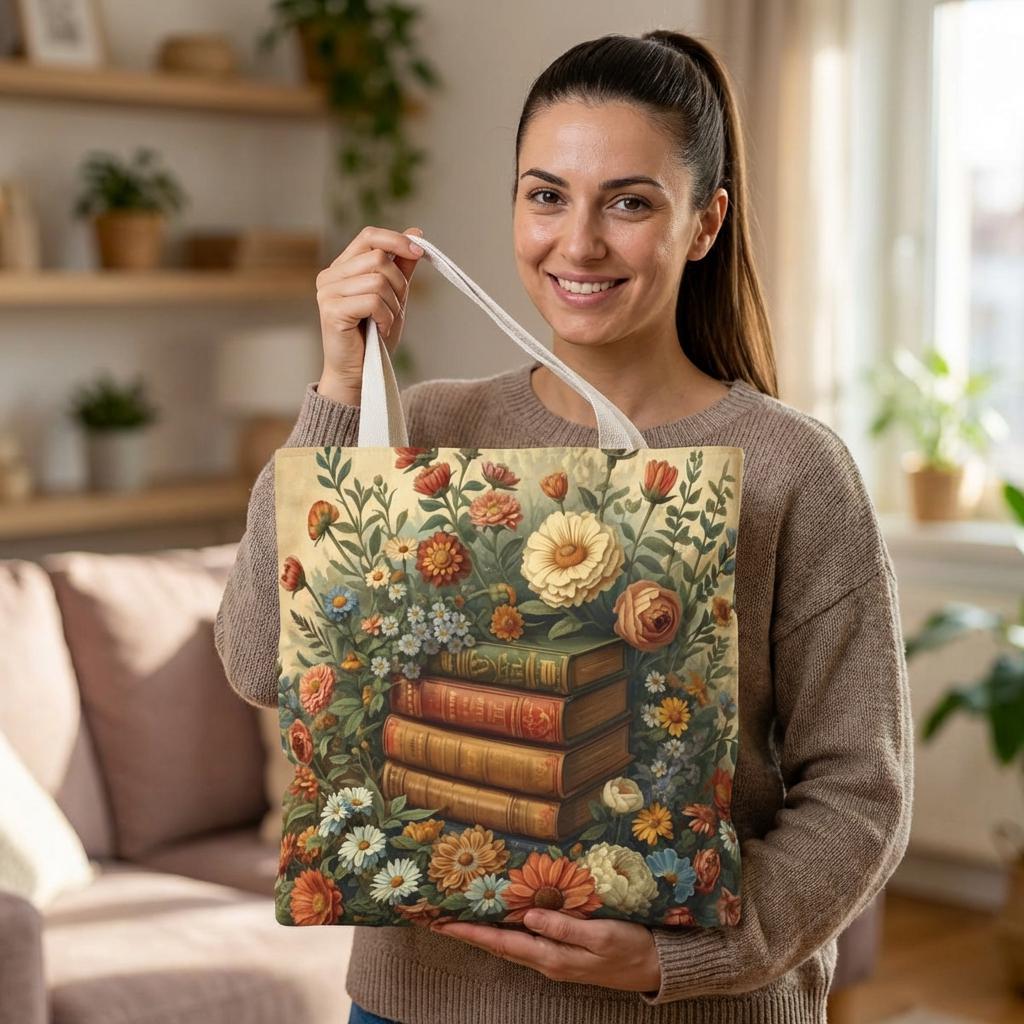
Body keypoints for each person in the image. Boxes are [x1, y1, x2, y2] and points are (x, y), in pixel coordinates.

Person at [214, 28, 914, 1024]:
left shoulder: (794, 467)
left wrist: (681, 955)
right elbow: (260, 663)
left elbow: (860, 795)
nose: (576, 243)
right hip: (415, 1005)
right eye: (546, 195)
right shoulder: (437, 426)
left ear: (704, 223)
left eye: (628, 202)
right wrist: (339, 384)